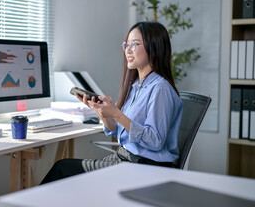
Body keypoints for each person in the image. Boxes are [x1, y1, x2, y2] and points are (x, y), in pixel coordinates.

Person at [40, 21, 183, 184]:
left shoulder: (160, 89)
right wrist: (103, 114)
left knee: (62, 169)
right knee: (64, 169)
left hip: (143, 167)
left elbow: (155, 141)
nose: (128, 50)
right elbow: (118, 132)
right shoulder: (136, 86)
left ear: (155, 48)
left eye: (135, 44)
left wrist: (117, 114)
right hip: (125, 159)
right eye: (126, 44)